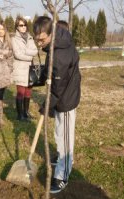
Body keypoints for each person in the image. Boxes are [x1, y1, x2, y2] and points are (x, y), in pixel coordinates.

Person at [33, 16, 81, 194]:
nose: (39, 42)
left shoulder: (60, 54)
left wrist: (46, 106)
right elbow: (51, 72)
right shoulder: (56, 43)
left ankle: (63, 174)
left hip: (66, 99)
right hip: (61, 96)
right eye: (36, 38)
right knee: (59, 132)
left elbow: (57, 88)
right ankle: (62, 156)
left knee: (65, 136)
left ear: (52, 34)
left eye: (42, 39)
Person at [11, 16, 38, 121]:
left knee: (28, 92)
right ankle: (20, 115)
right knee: (20, 92)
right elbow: (18, 54)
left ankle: (26, 112)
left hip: (30, 69)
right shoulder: (14, 39)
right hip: (20, 69)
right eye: (21, 25)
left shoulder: (30, 38)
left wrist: (26, 52)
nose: (23, 27)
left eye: (25, 25)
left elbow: (35, 51)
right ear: (17, 27)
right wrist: (29, 54)